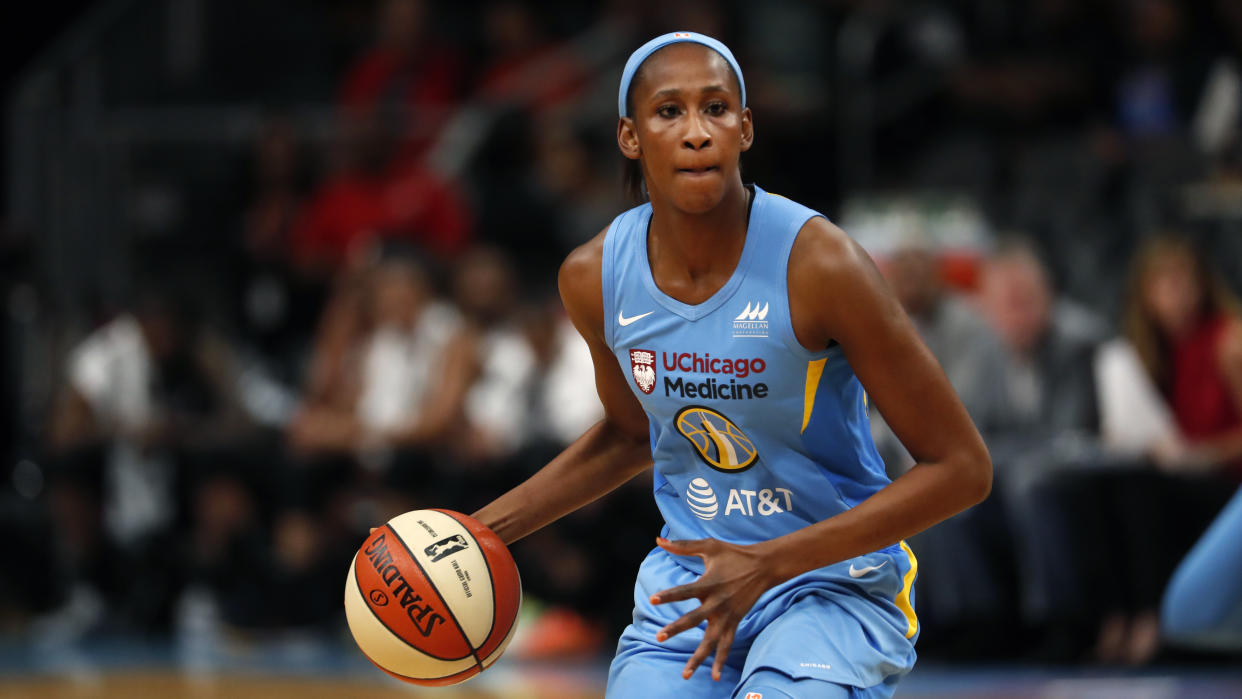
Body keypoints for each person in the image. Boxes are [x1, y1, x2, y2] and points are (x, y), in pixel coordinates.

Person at [468, 33, 991, 697]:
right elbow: (633, 436)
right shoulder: (594, 275)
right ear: (630, 136)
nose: (695, 132)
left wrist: (768, 562)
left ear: (744, 128)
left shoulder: (822, 264)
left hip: (829, 583)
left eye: (715, 109)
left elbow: (963, 468)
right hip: (692, 589)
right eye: (669, 112)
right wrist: (478, 534)